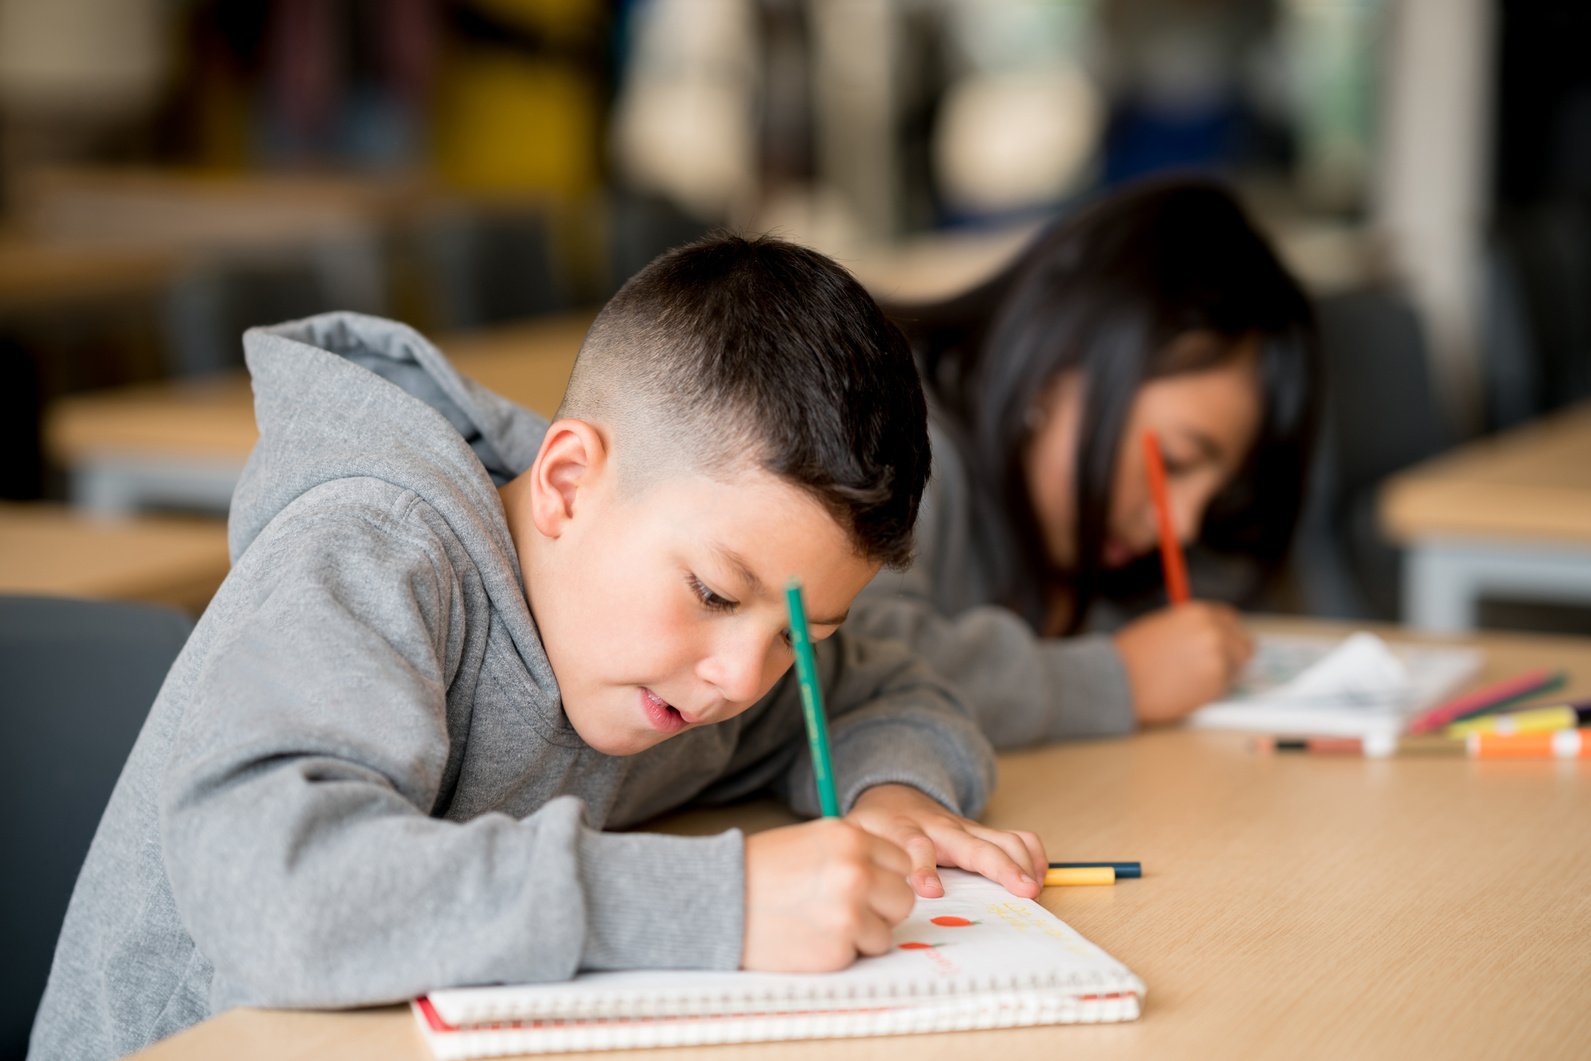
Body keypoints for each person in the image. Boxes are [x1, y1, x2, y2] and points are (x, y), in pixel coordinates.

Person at [31, 235, 1046, 1060]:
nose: (742, 677)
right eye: (713, 593)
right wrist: (718, 902)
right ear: (564, 482)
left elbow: (888, 687)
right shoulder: (375, 556)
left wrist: (893, 793)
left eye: (798, 636)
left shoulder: (683, 654)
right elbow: (277, 892)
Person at [854, 176, 1319, 748]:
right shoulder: (887, 435)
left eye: (1215, 490)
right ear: (1057, 370)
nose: (1186, 521)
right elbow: (845, 670)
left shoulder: (1086, 540)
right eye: (1174, 462)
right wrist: (1117, 679)